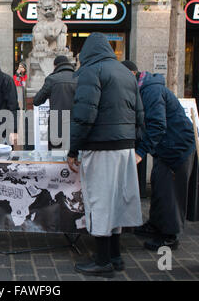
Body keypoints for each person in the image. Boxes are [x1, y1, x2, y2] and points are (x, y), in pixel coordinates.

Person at [67, 33, 144, 278]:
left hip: (101, 147)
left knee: (99, 202)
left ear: (87, 52)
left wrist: (73, 149)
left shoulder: (92, 71)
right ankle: (115, 256)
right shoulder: (125, 72)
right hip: (125, 147)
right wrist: (136, 144)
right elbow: (140, 114)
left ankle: (102, 261)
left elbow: (84, 115)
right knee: (117, 202)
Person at [122, 60, 196, 251]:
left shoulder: (151, 91)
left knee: (170, 192)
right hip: (164, 146)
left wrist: (140, 151)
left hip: (176, 147)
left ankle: (169, 236)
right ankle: (155, 225)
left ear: (131, 75)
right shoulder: (141, 91)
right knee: (159, 185)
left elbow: (157, 125)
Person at [33, 55, 77, 150]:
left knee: (57, 161)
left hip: (57, 130)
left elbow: (36, 101)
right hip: (76, 130)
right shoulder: (80, 78)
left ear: (55, 66)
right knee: (75, 161)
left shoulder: (52, 79)